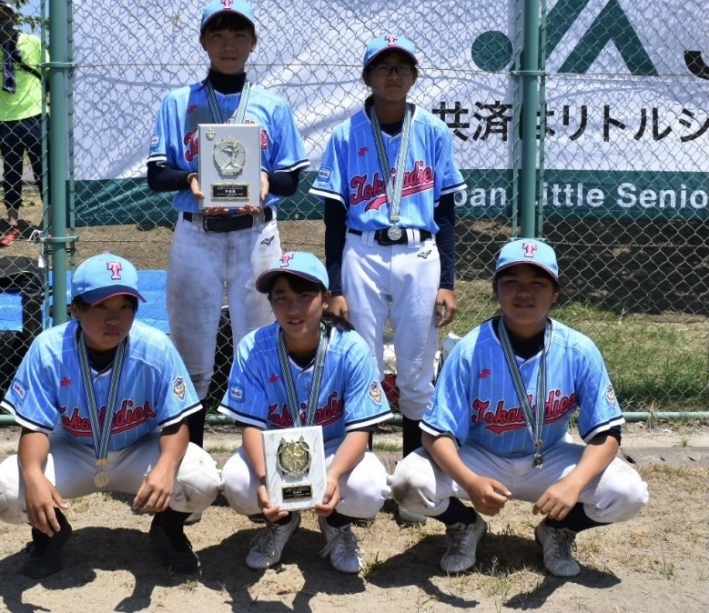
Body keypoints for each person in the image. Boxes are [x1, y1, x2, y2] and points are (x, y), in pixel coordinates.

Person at [389, 239, 649, 577]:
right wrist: (470, 481)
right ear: (496, 289)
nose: (523, 292)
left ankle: (558, 530)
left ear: (555, 293)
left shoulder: (579, 350)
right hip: (480, 456)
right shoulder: (470, 349)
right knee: (407, 481)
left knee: (629, 493)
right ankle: (464, 524)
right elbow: (435, 434)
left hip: (549, 457)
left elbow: (608, 434)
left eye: (537, 283)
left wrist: (573, 484)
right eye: (511, 282)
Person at [0, 253, 221, 579]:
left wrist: (166, 468)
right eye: (101, 306)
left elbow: (176, 424)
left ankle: (168, 531)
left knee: (202, 478)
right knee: (5, 492)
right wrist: (35, 477)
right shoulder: (48, 349)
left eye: (125, 307)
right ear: (76, 309)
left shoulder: (156, 348)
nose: (114, 319)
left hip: (138, 448)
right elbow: (34, 430)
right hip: (74, 449)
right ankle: (48, 536)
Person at [309, 34, 466, 524]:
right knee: (365, 365)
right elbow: (334, 217)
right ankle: (369, 481)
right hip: (363, 249)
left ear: (414, 77)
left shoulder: (433, 131)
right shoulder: (346, 134)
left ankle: (415, 485)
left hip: (420, 250)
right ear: (367, 77)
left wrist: (448, 280)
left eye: (402, 67)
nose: (393, 75)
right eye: (383, 67)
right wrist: (335, 286)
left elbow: (446, 210)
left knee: (418, 366)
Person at [146, 0, 309, 454]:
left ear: (254, 43)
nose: (228, 44)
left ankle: (269, 470)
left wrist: (266, 180)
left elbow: (292, 179)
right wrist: (191, 179)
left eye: (239, 35)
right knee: (191, 360)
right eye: (218, 35)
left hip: (256, 234)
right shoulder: (178, 103)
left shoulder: (272, 104)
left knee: (261, 352)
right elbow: (157, 175)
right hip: (197, 235)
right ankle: (189, 469)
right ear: (203, 42)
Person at [218, 251, 392, 573]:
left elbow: (360, 429)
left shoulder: (351, 347)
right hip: (275, 453)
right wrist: (265, 479)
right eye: (281, 298)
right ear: (271, 303)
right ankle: (282, 522)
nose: (293, 309)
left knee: (370, 486)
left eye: (304, 296)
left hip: (332, 449)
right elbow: (251, 426)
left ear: (325, 299)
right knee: (237, 482)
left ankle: (336, 525)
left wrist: (334, 476)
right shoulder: (253, 348)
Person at [0, 0, 46, 247]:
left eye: (5, 14)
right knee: (11, 172)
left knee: (43, 170)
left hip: (36, 115)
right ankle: (13, 224)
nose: (1, 19)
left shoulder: (33, 42)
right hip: (6, 119)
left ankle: (49, 222)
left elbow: (47, 71)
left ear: (14, 17)